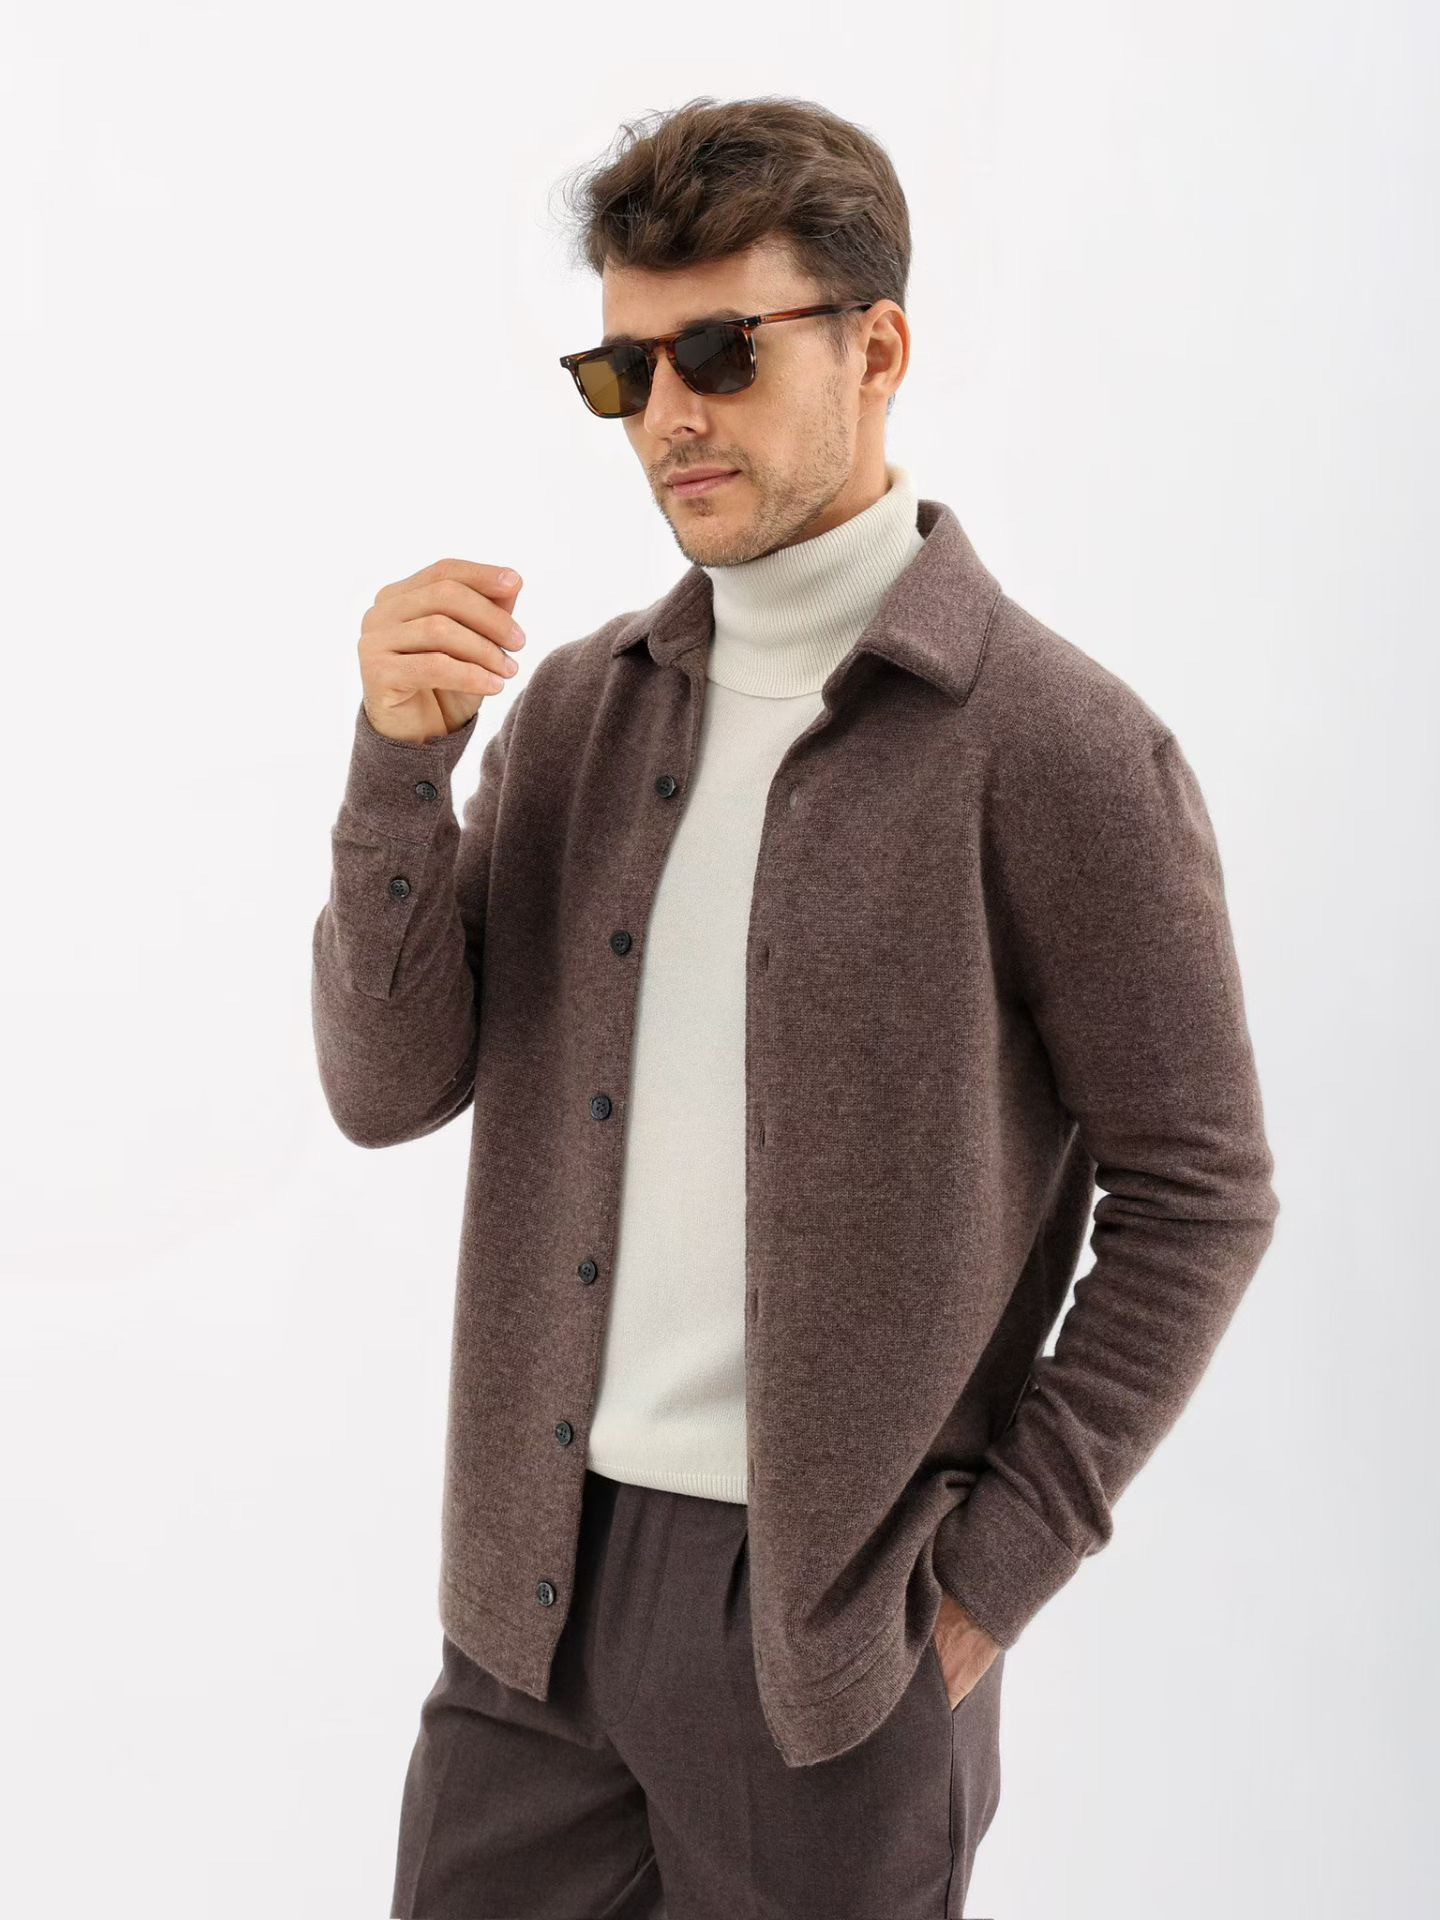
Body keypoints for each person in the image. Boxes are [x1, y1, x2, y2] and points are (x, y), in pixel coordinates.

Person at [311, 93, 1280, 1920]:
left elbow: (1202, 1191)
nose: (670, 417)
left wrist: (988, 1581)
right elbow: (387, 1088)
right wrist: (396, 776)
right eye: (625, 372)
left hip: (833, 1646)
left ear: (878, 349)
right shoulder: (579, 714)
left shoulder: (1057, 747)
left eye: (723, 353)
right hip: (528, 1606)